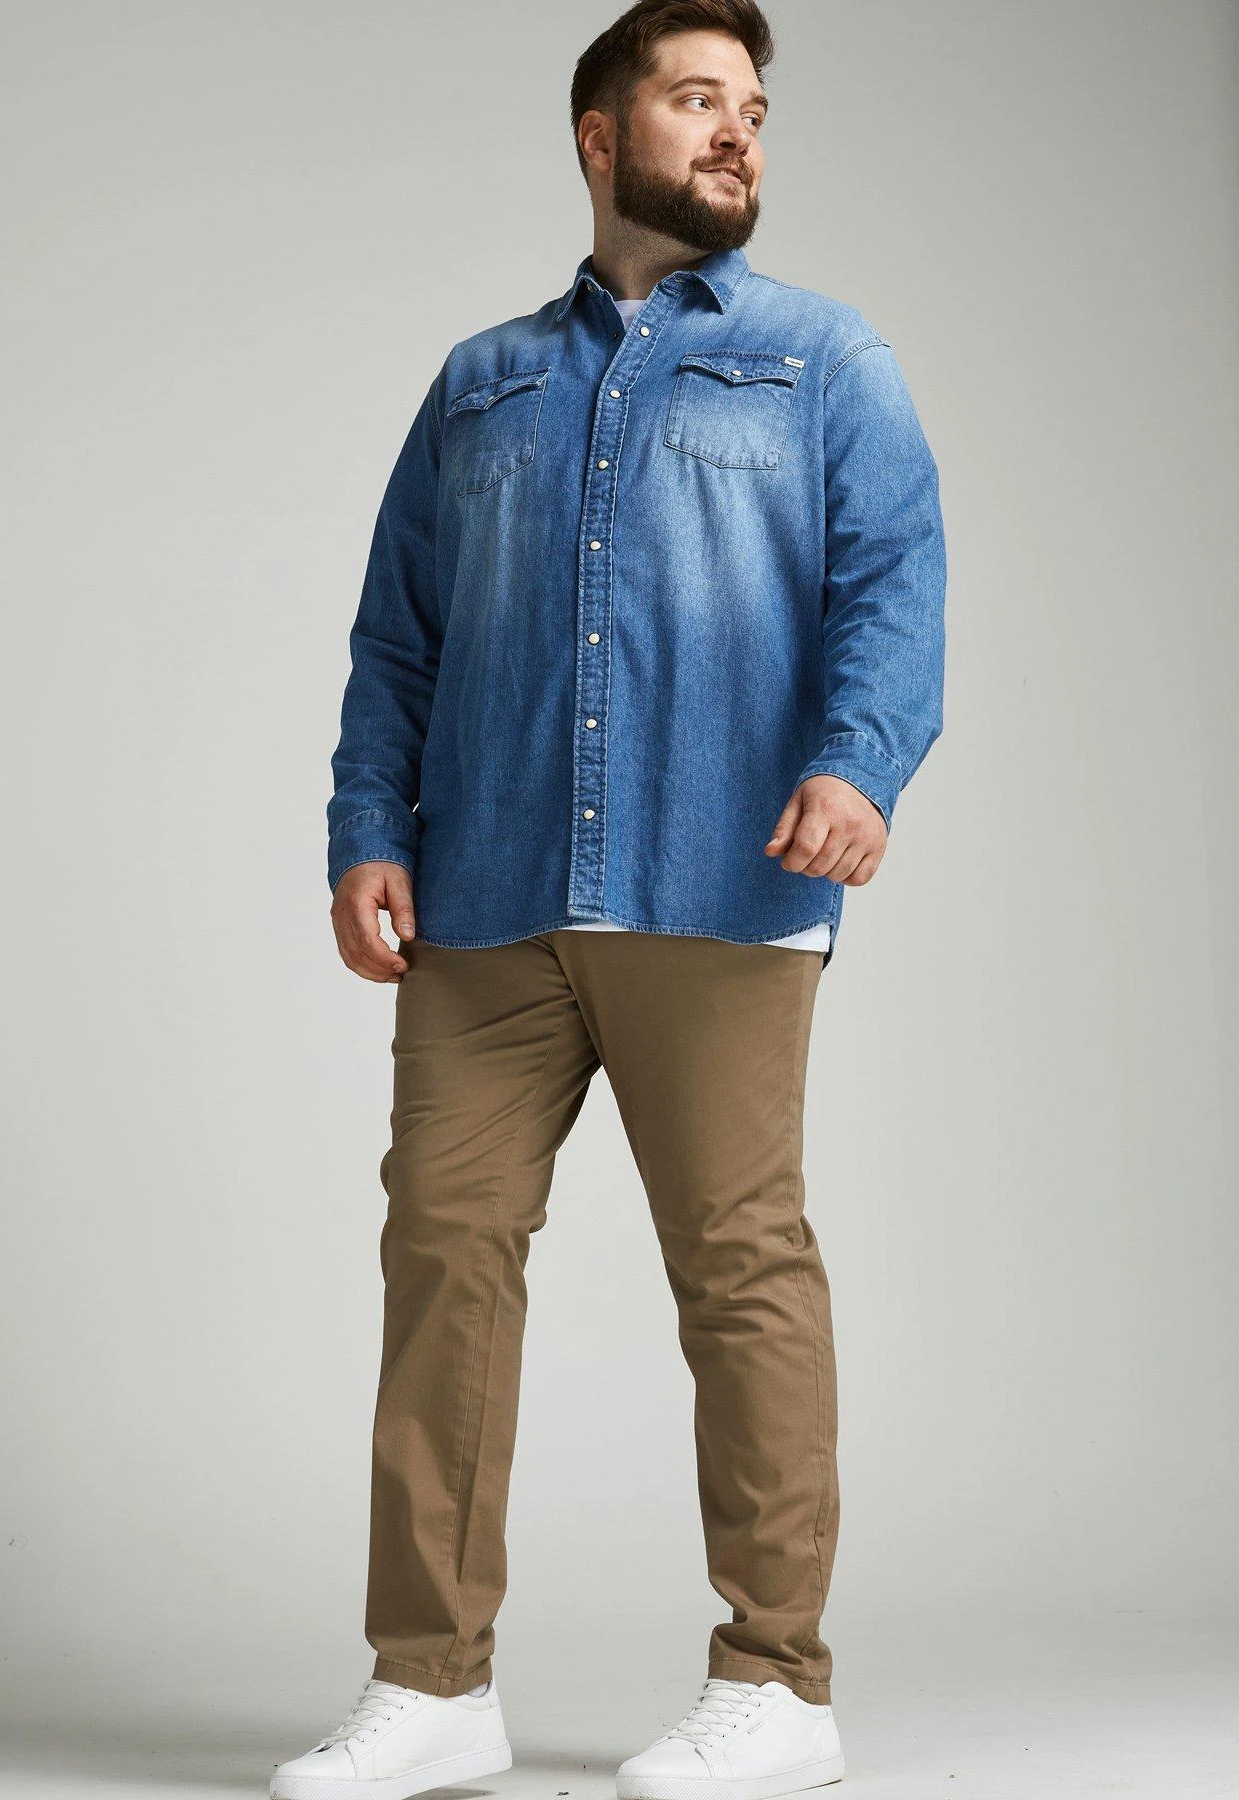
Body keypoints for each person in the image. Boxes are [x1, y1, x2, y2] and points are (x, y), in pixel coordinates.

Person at [270, 1, 945, 1795]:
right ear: (598, 134)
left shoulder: (820, 359)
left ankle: (777, 1683)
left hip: (717, 883)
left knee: (738, 1268)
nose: (736, 132)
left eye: (753, 109)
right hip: (483, 896)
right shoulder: (481, 381)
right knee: (442, 1257)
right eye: (696, 99)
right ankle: (432, 1684)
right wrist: (365, 828)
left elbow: (894, 582)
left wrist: (859, 764)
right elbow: (394, 636)